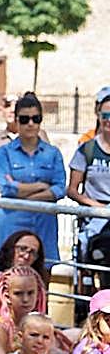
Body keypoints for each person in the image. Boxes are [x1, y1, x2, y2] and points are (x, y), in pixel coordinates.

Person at [0, 93, 66, 264]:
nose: (31, 124)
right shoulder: (3, 153)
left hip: (44, 224)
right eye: (25, 119)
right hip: (12, 223)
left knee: (43, 277)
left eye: (36, 118)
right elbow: (6, 188)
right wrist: (41, 186)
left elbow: (60, 189)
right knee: (7, 277)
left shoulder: (53, 153)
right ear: (16, 121)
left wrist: (23, 194)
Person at [66, 86, 110, 272]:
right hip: (95, 216)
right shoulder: (87, 149)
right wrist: (95, 205)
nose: (108, 120)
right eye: (105, 115)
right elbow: (72, 189)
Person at [0, 93, 51, 165]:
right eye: (7, 105)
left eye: (16, 106)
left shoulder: (39, 136)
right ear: (2, 109)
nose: (12, 110)